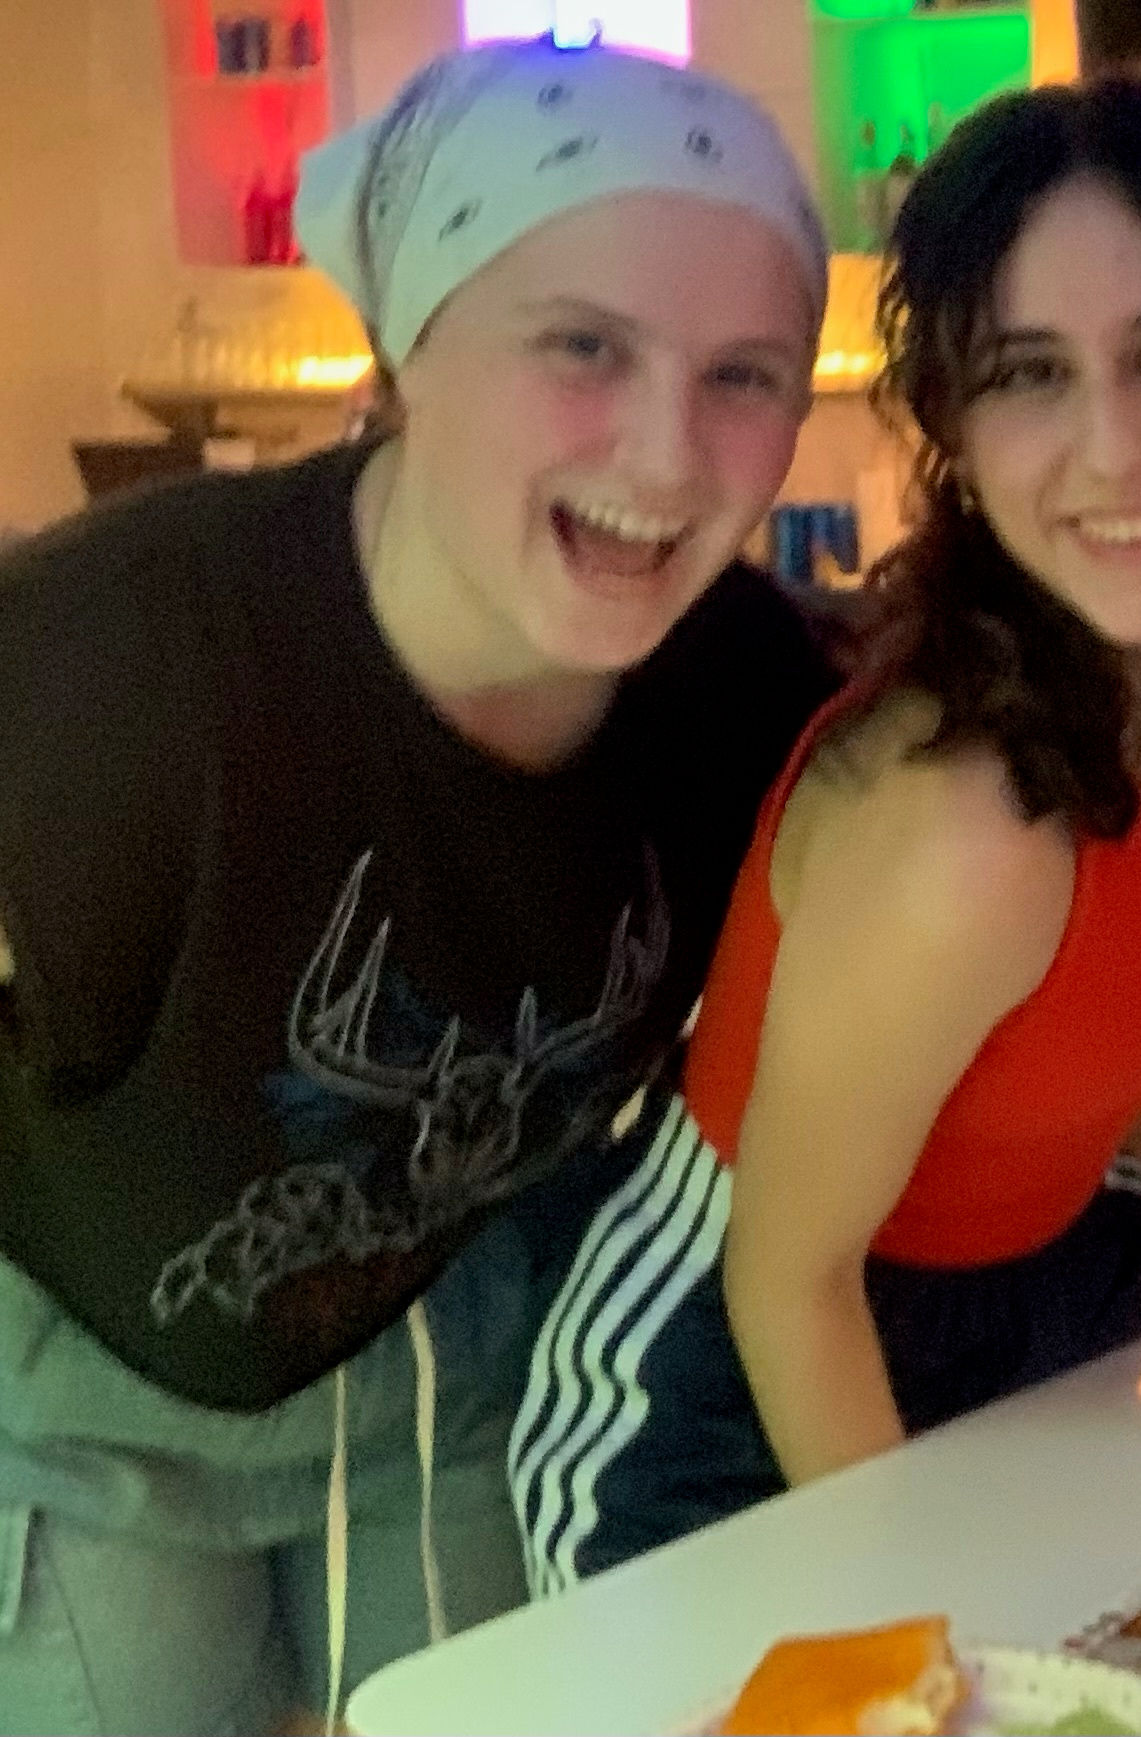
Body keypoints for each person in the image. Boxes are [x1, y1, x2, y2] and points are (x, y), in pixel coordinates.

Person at [0, 39, 836, 1735]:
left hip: (453, 1357)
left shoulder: (751, 699)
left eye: (745, 373)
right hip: (77, 1391)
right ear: (403, 354)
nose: (667, 454)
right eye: (583, 344)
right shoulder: (112, 660)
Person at [509, 72, 1141, 1592]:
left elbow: (1129, 1073)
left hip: (1045, 1305)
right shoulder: (965, 822)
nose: (1113, 447)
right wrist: (927, 1625)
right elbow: (786, 1283)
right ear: (956, 434)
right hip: (734, 1389)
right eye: (1028, 373)